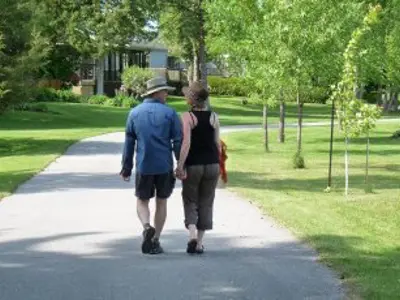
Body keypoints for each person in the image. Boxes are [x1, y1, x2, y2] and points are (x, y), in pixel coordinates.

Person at [120, 76, 182, 255]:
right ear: (157, 92)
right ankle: (155, 240)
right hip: (164, 166)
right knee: (161, 202)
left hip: (144, 165)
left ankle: (147, 226)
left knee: (142, 200)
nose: (167, 95)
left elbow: (129, 143)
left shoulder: (134, 113)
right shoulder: (170, 114)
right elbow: (178, 141)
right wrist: (181, 164)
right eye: (165, 92)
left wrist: (126, 168)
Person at [175, 81, 221, 254]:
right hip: (212, 165)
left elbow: (186, 143)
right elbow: (217, 143)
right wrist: (219, 165)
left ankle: (192, 235)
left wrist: (180, 165)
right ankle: (200, 243)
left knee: (190, 199)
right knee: (206, 202)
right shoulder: (214, 117)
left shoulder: (187, 117)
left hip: (194, 165)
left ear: (190, 101)